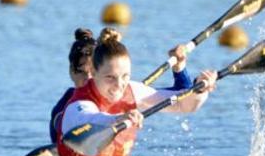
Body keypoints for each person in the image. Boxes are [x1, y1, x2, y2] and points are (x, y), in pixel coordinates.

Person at [56, 28, 216, 156]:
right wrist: (119, 118)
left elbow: (182, 104)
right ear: (93, 71)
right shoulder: (77, 104)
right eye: (110, 77)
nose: (119, 85)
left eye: (125, 76)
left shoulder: (133, 89)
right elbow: (88, 119)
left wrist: (200, 91)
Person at [49, 28, 194, 145]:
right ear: (71, 72)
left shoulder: (125, 91)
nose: (88, 79)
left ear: (100, 71)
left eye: (92, 74)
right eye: (81, 72)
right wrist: (116, 118)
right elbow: (82, 120)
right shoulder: (67, 105)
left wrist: (179, 68)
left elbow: (181, 96)